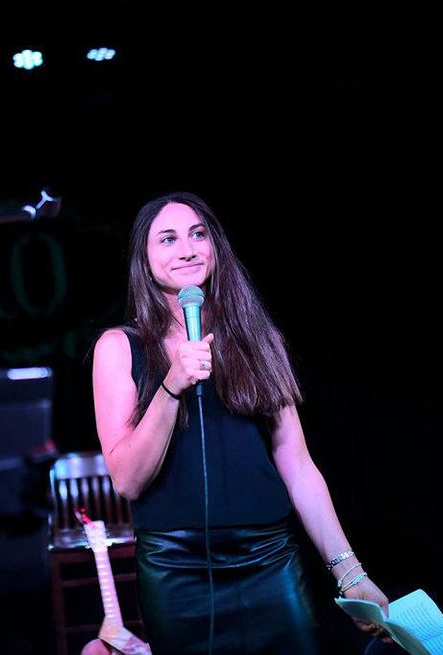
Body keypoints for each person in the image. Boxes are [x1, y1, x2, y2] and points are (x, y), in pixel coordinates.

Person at [91, 192, 394, 654]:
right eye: (167, 239)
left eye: (198, 234)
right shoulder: (119, 347)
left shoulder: (258, 337)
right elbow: (128, 480)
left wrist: (351, 573)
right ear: (144, 259)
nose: (188, 249)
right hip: (178, 572)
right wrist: (172, 386)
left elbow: (297, 464)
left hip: (270, 561)